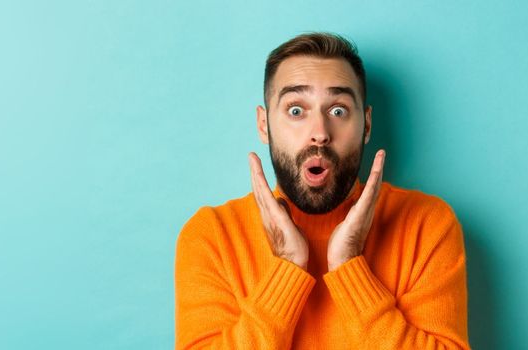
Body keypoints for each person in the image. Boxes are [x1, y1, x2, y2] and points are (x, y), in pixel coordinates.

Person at [174, 33, 469, 349]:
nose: (319, 134)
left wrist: (349, 266)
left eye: (338, 110)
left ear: (366, 125)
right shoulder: (211, 236)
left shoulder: (426, 225)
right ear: (264, 125)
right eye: (296, 110)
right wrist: (287, 266)